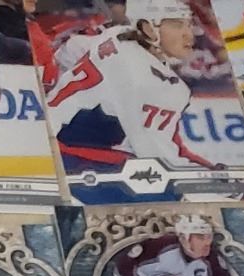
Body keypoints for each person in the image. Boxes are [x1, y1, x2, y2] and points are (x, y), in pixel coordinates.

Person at [46, 0, 217, 198]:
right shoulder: (153, 83)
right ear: (148, 28)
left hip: (55, 141)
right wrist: (213, 181)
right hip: (73, 160)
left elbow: (69, 51)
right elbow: (160, 157)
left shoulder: (116, 35)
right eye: (177, 24)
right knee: (168, 193)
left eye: (189, 24)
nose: (189, 34)